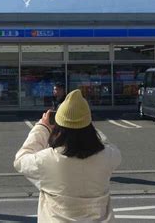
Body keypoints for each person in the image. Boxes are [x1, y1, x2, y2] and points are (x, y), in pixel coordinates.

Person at [14, 89, 121, 222]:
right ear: (89, 124)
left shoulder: (48, 160)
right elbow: (104, 142)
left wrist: (42, 127)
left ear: (59, 126)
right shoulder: (108, 155)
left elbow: (21, 159)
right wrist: (85, 122)